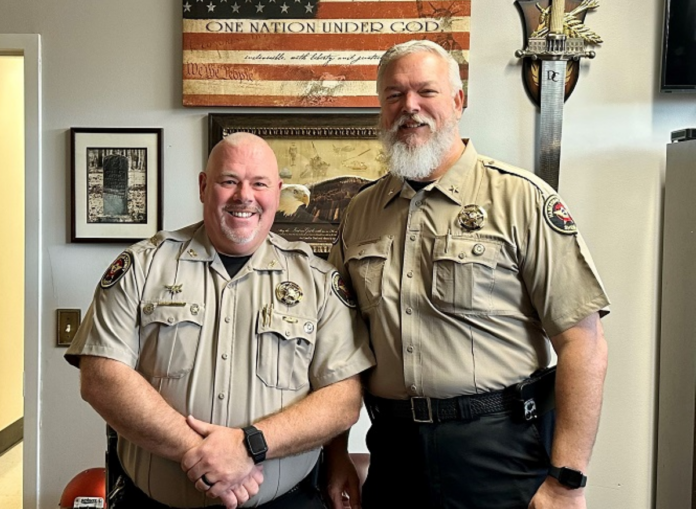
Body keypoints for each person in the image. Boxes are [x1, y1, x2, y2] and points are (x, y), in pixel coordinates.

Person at [325, 40, 610, 509]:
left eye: (426, 91)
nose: (409, 106)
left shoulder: (520, 199)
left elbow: (584, 342)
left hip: (499, 450)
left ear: (458, 101)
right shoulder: (360, 212)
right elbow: (336, 346)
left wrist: (567, 481)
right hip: (394, 452)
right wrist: (335, 454)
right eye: (394, 94)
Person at [65, 132, 375, 509]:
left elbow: (343, 399)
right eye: (229, 181)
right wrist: (205, 454)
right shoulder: (143, 267)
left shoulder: (318, 281)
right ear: (203, 186)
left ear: (277, 192)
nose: (244, 196)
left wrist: (249, 447)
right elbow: (101, 377)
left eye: (259, 183)